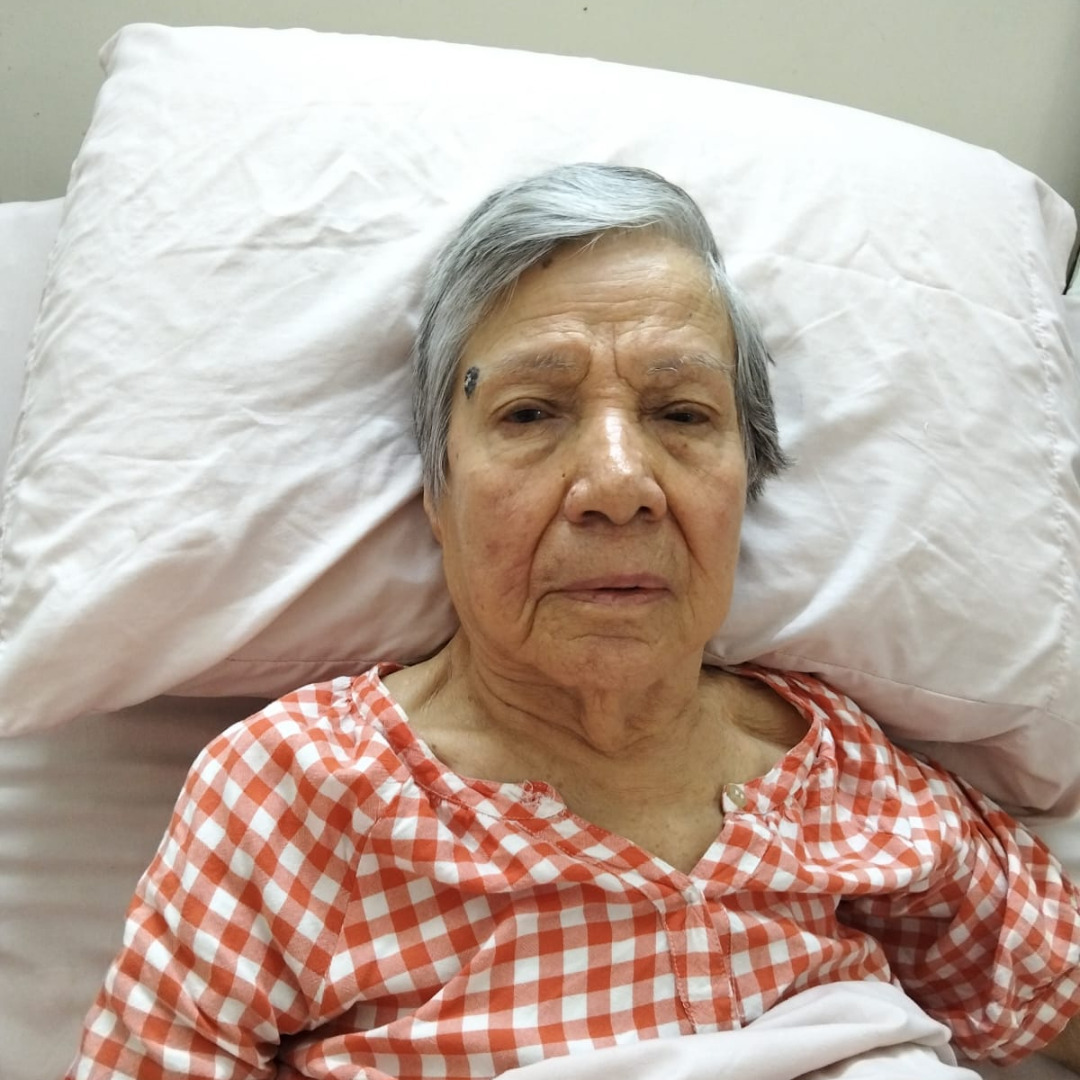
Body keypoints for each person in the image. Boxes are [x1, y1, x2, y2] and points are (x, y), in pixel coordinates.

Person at [66, 163, 1079, 1079]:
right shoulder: (301, 794)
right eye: (530, 413)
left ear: (747, 480)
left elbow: (1054, 989)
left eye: (682, 414)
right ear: (438, 490)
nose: (618, 483)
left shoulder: (840, 771)